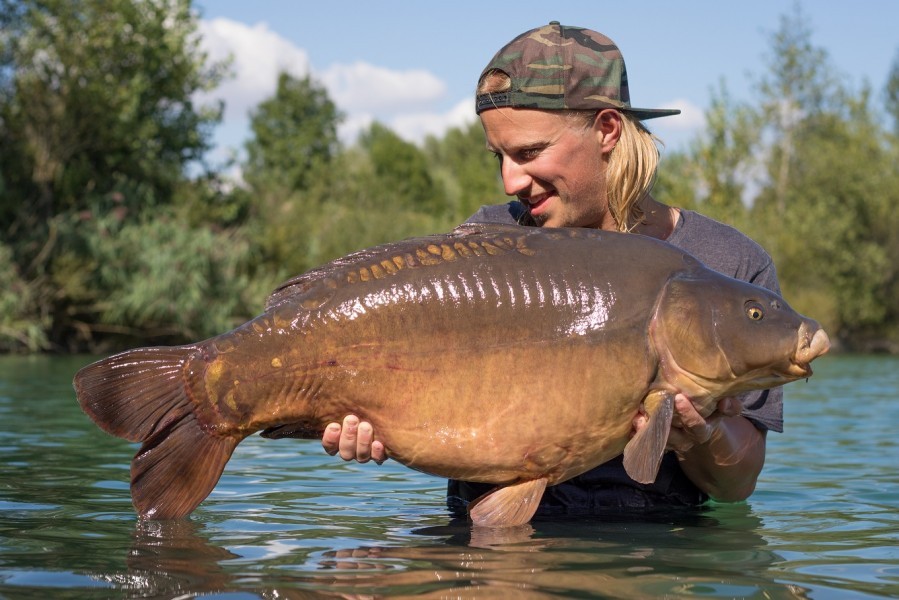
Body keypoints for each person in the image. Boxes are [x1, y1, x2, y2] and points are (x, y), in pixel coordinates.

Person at [321, 22, 783, 516]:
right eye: (498, 156)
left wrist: (701, 435)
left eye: (529, 153)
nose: (509, 180)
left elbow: (737, 484)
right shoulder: (483, 251)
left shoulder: (729, 268)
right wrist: (376, 424)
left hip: (651, 554)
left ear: (606, 129)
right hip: (487, 554)